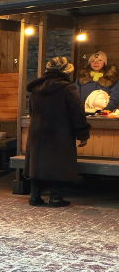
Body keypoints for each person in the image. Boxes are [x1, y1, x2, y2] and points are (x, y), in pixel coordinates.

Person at [25, 57, 90, 207]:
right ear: (66, 71)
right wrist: (82, 134)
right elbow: (77, 112)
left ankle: (34, 196)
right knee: (57, 163)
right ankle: (56, 197)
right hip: (59, 133)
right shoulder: (68, 88)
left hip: (37, 131)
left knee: (37, 162)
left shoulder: (36, 88)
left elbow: (31, 111)